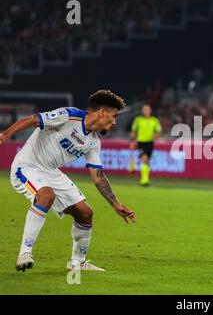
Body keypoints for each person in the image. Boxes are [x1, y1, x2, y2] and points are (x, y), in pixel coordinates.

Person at [0, 90, 136, 272]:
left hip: (51, 172)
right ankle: (25, 253)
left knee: (85, 213)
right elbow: (34, 120)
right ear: (102, 113)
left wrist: (115, 204)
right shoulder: (68, 116)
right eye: (113, 116)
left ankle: (77, 263)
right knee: (46, 195)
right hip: (28, 165)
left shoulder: (94, 142)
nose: (114, 122)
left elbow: (98, 177)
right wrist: (4, 135)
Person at [130, 105, 161, 186]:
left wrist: (156, 136)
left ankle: (145, 180)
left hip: (150, 143)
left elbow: (158, 131)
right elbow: (133, 132)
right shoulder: (138, 120)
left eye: (147, 109)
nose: (145, 111)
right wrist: (132, 142)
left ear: (150, 110)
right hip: (141, 143)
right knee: (144, 159)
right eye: (144, 110)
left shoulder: (154, 120)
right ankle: (144, 180)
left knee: (147, 161)